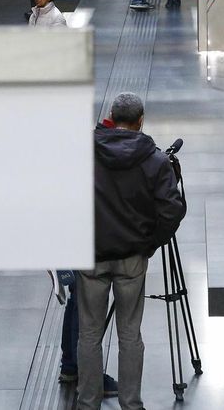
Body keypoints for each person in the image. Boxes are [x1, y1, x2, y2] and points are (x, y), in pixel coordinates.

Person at [76, 93, 186, 410]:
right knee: (130, 334)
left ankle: (87, 403)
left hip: (91, 258)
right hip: (132, 260)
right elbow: (171, 211)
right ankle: (131, 403)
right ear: (141, 121)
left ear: (111, 117)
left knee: (90, 334)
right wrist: (149, 243)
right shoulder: (154, 161)